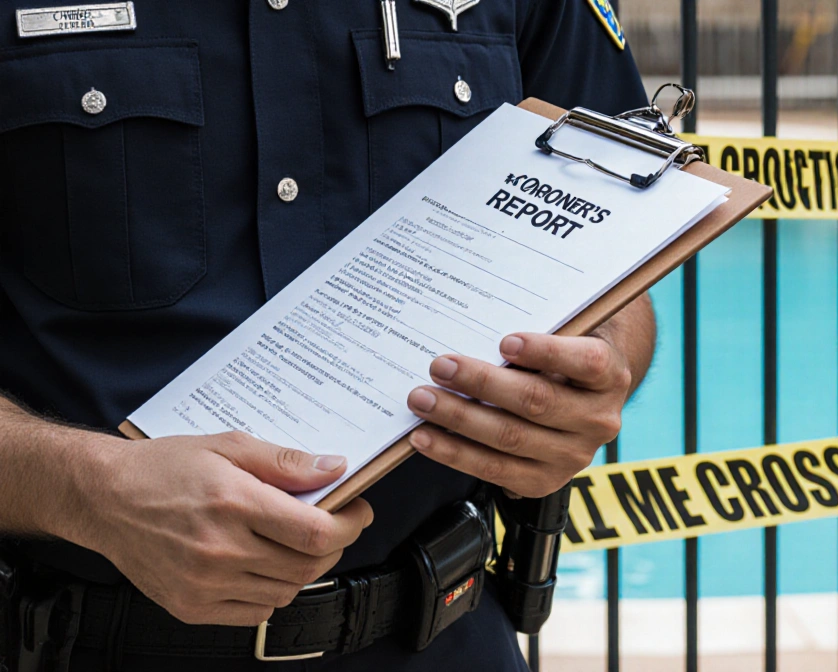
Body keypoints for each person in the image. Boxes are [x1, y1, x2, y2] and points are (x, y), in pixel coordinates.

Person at [0, 0, 654, 669]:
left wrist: (593, 367)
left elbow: (619, 242)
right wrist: (86, 491)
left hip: (442, 639)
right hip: (71, 642)